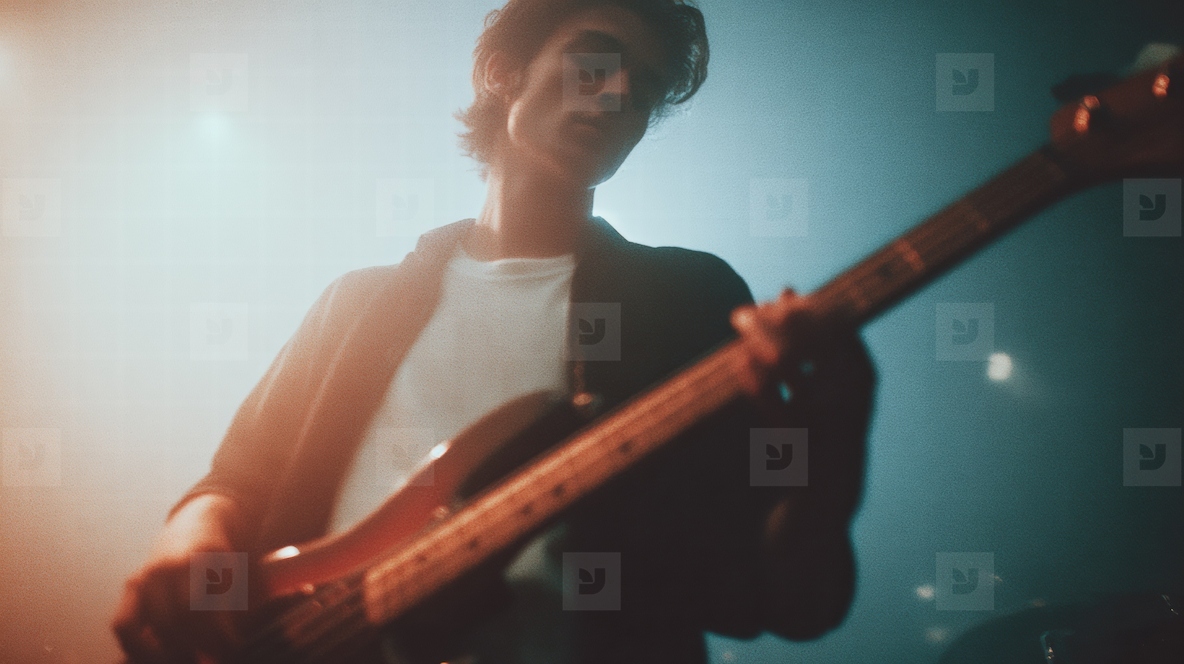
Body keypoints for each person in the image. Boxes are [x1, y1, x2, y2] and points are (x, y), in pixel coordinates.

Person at [111, 1, 876, 662]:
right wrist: (189, 543)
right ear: (503, 72)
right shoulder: (355, 303)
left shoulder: (686, 299)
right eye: (593, 66)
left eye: (642, 91)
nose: (617, 97)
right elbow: (233, 482)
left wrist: (833, 446)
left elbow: (794, 604)